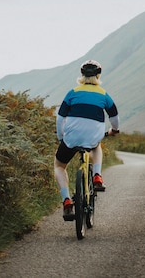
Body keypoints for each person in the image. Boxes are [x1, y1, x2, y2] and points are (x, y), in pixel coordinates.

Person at [54, 59, 120, 220]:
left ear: (81, 75)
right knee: (96, 146)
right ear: (98, 75)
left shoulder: (73, 92)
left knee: (59, 166)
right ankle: (97, 175)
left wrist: (61, 137)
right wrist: (114, 130)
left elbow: (60, 118)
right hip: (93, 136)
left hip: (71, 137)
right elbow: (114, 116)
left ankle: (67, 201)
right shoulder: (104, 94)